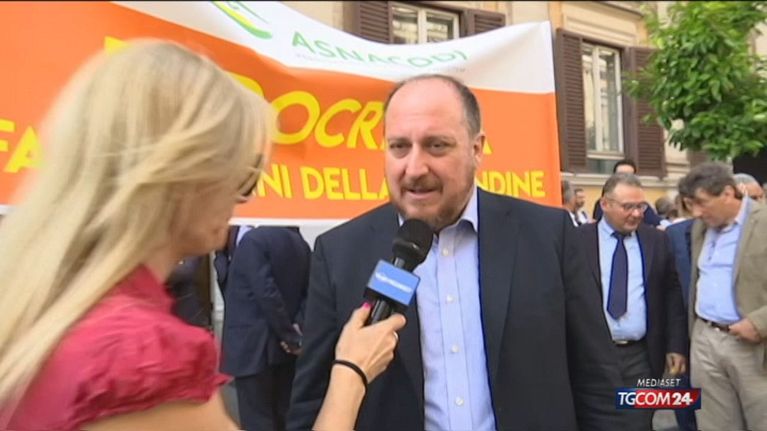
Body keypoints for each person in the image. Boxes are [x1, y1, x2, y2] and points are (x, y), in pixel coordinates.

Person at [0, 40, 404, 431]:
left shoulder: (39, 309)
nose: (248, 198)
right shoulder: (140, 359)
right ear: (186, 173)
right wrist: (351, 373)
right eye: (244, 175)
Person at [288, 74, 622, 431]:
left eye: (436, 146)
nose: (414, 168)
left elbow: (599, 384)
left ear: (477, 149)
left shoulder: (548, 235)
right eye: (399, 146)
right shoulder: (339, 253)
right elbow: (311, 405)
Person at [576, 173, 687, 431]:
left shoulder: (657, 241)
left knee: (638, 421)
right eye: (628, 207)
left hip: (640, 357)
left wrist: (676, 345)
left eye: (641, 206)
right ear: (605, 204)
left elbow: (671, 296)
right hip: (590, 356)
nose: (636, 214)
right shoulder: (577, 240)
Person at [679, 162, 767, 431]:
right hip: (705, 338)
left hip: (753, 345)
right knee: (713, 424)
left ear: (728, 193)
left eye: (702, 203)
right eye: (690, 205)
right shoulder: (701, 227)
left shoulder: (763, 222)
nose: (696, 212)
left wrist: (760, 323)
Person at [221, 225, 311, 431]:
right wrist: (296, 330)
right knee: (284, 415)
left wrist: (288, 335)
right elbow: (308, 291)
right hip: (285, 350)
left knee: (257, 419)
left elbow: (265, 291)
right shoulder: (301, 243)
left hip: (253, 348)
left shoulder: (252, 241)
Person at [663, 182, 698, 431]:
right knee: (685, 407)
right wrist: (675, 344)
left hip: (731, 338)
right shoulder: (674, 235)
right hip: (683, 337)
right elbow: (670, 291)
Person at [592, 159, 663, 226]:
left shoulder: (642, 205)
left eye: (630, 176)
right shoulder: (605, 203)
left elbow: (657, 222)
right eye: (621, 175)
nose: (626, 179)